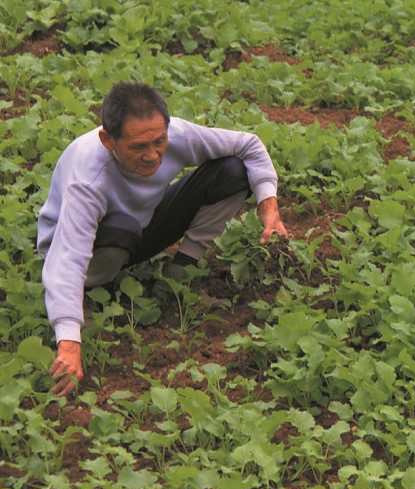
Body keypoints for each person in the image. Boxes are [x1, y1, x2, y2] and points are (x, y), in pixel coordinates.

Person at [38, 82, 288, 397]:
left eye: (160, 141)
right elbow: (67, 258)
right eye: (139, 147)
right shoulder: (88, 178)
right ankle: (92, 291)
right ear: (108, 140)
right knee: (122, 227)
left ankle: (180, 271)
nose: (153, 155)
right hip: (88, 250)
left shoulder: (174, 136)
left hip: (139, 229)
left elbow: (248, 145)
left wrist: (269, 205)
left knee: (233, 170)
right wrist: (69, 340)